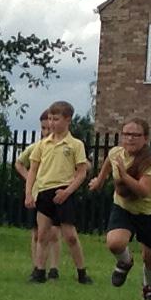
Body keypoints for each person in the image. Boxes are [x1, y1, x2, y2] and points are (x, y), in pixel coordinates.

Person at [89, 117, 151, 300]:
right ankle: (125, 262)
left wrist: (124, 176)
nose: (130, 138)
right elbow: (109, 162)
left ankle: (149, 287)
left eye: (135, 135)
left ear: (145, 138)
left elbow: (143, 191)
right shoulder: (117, 153)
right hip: (124, 206)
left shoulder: (148, 161)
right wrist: (99, 180)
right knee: (114, 242)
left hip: (149, 210)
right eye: (126, 134)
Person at [16, 102, 92, 283]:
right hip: (44, 192)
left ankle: (82, 272)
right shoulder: (43, 144)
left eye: (56, 119)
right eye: (50, 119)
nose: (52, 123)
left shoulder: (75, 144)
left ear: (67, 120)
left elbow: (82, 172)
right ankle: (39, 271)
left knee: (70, 235)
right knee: (42, 234)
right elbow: (33, 170)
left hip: (63, 191)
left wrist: (68, 191)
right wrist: (29, 193)